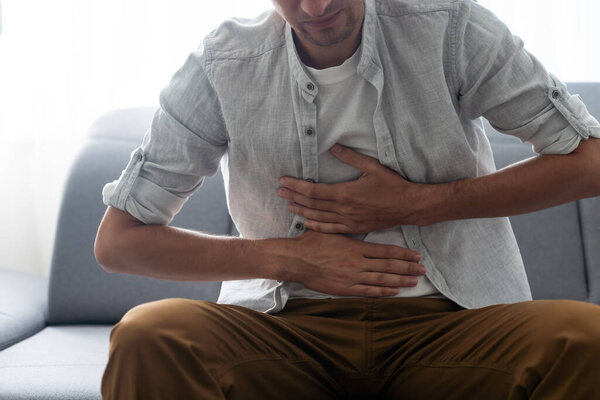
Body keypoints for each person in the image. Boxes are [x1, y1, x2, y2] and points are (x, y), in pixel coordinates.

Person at [95, 0, 600, 398]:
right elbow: (118, 242)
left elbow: (589, 162)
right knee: (149, 335)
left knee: (586, 338)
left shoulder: (451, 28)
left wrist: (414, 204)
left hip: (452, 326)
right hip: (285, 331)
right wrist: (290, 259)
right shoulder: (222, 64)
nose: (315, 9)